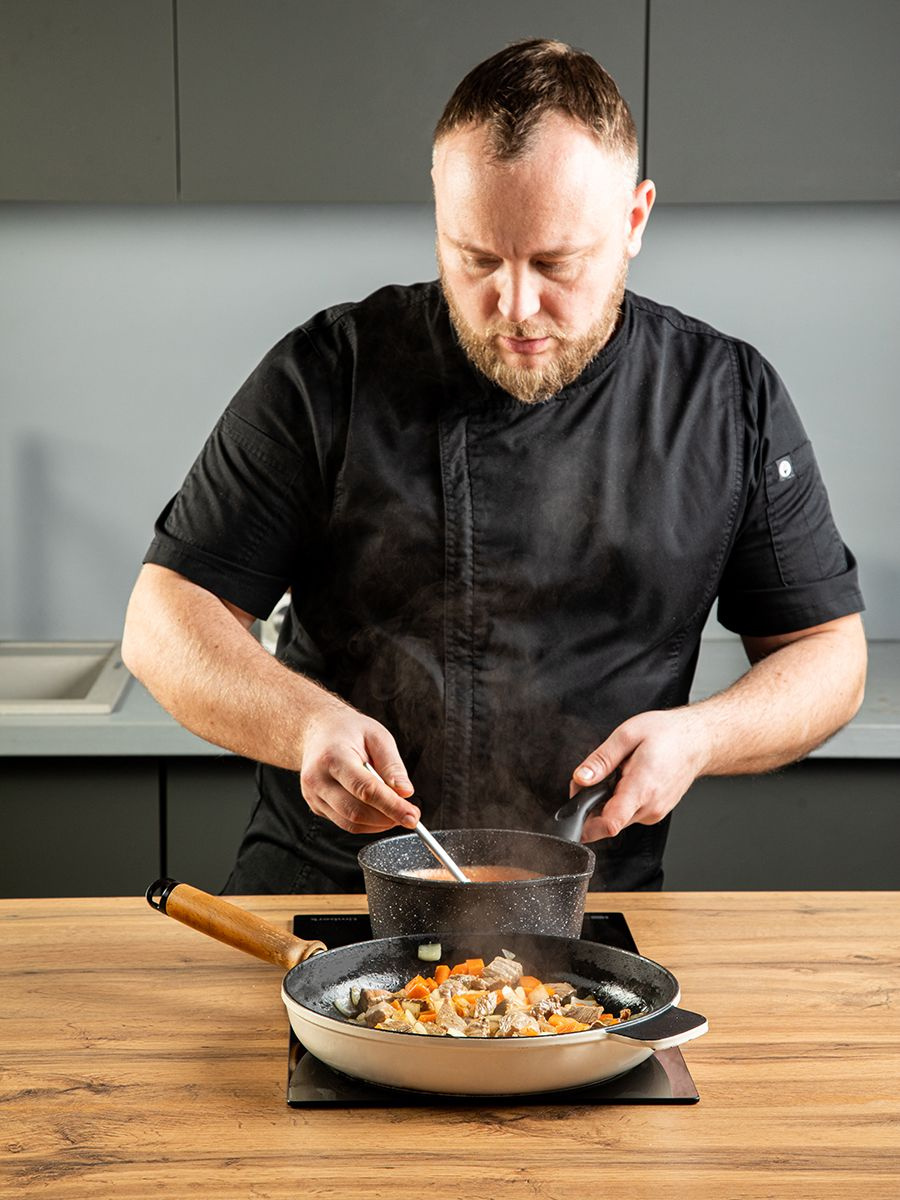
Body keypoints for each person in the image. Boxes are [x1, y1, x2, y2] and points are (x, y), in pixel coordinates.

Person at [122, 39, 867, 894]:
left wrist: (701, 737)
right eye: (475, 258)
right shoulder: (328, 371)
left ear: (634, 220)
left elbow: (829, 655)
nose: (514, 305)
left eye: (555, 263)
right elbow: (162, 620)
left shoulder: (725, 399)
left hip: (581, 922)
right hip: (322, 899)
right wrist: (304, 725)